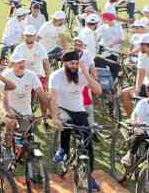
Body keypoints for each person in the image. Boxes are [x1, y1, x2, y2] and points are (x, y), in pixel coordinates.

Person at [50, 50, 103, 191]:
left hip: (79, 110)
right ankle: (63, 148)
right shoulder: (56, 76)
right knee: (66, 122)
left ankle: (89, 176)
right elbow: (53, 99)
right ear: (64, 63)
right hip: (62, 108)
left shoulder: (81, 74)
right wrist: (55, 118)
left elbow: (98, 91)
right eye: (71, 63)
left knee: (88, 144)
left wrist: (86, 73)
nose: (74, 66)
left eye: (76, 63)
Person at [2, 52, 49, 148]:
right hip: (10, 107)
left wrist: (51, 111)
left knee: (25, 134)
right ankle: (7, 148)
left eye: (23, 62)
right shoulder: (6, 75)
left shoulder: (32, 75)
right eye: (18, 62)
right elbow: (4, 97)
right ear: (13, 64)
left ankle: (22, 151)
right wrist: (7, 111)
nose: (21, 64)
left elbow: (41, 94)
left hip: (25, 109)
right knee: (11, 123)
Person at [95, 12, 124, 81]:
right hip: (104, 52)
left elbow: (122, 39)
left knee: (114, 68)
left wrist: (114, 43)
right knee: (102, 67)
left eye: (103, 19)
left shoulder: (118, 27)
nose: (102, 20)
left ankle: (112, 83)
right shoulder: (103, 27)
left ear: (107, 19)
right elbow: (94, 35)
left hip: (114, 52)